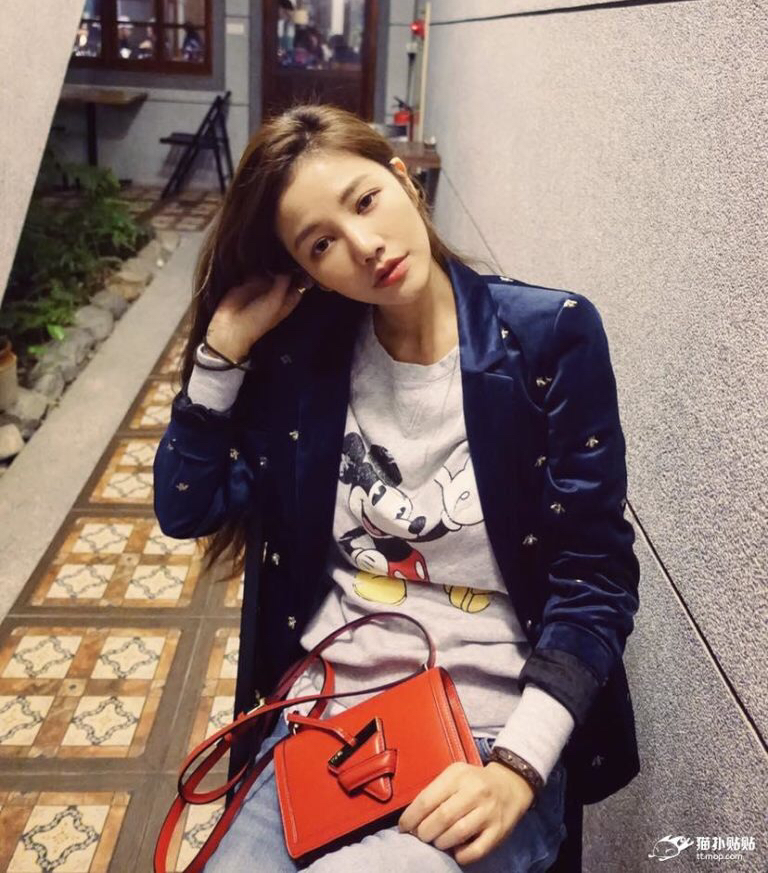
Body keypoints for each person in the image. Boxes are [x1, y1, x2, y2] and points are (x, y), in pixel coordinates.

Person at [153, 103, 641, 872]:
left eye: (365, 201)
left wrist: (516, 770)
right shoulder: (308, 363)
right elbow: (188, 507)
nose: (364, 245)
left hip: (489, 738)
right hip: (327, 727)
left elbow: (596, 581)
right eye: (321, 244)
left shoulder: (548, 339)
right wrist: (223, 349)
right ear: (304, 271)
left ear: (404, 181)